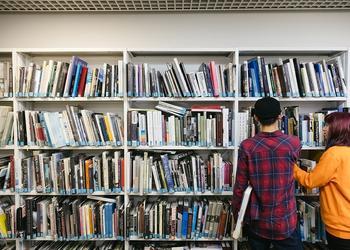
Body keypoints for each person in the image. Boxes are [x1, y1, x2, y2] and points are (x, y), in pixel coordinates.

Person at [233, 97, 302, 250]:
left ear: (255, 117)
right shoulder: (294, 143)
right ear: (280, 116)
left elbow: (240, 187)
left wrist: (237, 213)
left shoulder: (247, 146)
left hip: (258, 220)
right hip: (285, 219)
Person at [294, 112, 350, 250]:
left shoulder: (334, 154)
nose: (324, 129)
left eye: (328, 125)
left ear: (339, 129)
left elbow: (310, 181)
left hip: (341, 226)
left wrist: (291, 166)